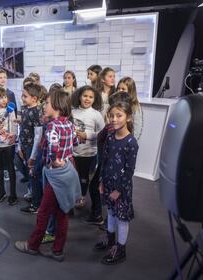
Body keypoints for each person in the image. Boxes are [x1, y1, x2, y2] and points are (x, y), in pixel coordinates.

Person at [14, 89, 80, 262]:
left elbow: (52, 146)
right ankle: (57, 250)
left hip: (56, 174)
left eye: (47, 103)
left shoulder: (52, 125)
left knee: (43, 211)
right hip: (68, 172)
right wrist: (65, 157)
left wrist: (54, 160)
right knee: (62, 212)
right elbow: (76, 142)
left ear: (57, 106)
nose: (44, 106)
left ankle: (33, 245)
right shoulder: (69, 124)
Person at [93, 100, 139, 265]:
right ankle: (110, 240)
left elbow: (129, 171)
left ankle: (120, 250)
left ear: (128, 118)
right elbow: (104, 161)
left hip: (122, 188)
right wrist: (101, 181)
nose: (114, 119)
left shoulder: (131, 143)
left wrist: (119, 190)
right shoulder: (110, 137)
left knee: (122, 218)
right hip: (108, 183)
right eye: (111, 115)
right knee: (111, 213)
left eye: (119, 115)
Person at [71, 86, 105, 209]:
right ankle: (74, 196)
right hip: (73, 152)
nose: (87, 99)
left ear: (94, 99)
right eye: (85, 96)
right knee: (73, 177)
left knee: (84, 178)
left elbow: (102, 134)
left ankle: (82, 197)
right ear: (79, 96)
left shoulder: (96, 115)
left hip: (88, 153)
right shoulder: (73, 112)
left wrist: (87, 135)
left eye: (90, 97)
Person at [18, 82, 43, 214]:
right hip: (25, 146)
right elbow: (21, 128)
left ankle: (36, 204)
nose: (22, 98)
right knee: (30, 174)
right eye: (22, 95)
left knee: (34, 175)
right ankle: (35, 198)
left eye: (25, 96)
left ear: (34, 98)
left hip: (32, 148)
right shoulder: (25, 109)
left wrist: (33, 156)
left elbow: (38, 136)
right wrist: (19, 146)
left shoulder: (37, 112)